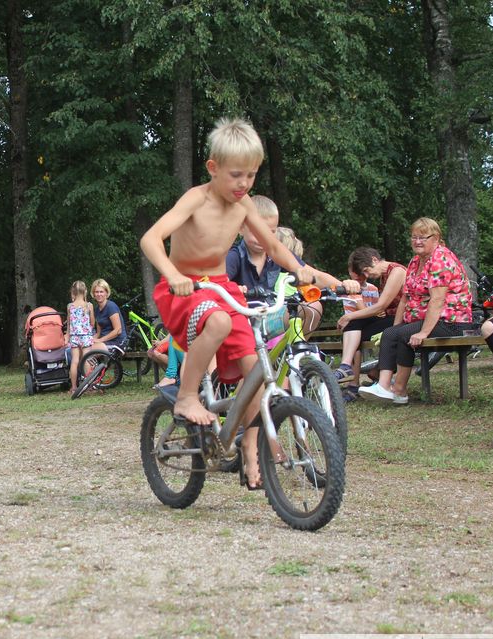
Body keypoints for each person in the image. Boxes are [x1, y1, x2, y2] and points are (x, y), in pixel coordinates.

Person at [139, 117, 315, 489]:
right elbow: (151, 239)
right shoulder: (196, 198)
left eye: (251, 175)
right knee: (218, 321)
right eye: (236, 175)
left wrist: (298, 269)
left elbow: (273, 246)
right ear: (213, 168)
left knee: (255, 373)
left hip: (222, 289)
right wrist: (171, 273)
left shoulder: (244, 204)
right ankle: (187, 396)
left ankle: (249, 447)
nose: (244, 184)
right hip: (184, 288)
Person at [358, 217, 476, 405]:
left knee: (404, 334)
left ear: (435, 238)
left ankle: (399, 389)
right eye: (414, 237)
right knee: (391, 333)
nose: (417, 241)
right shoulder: (415, 261)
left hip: (452, 322)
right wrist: (395, 327)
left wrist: (423, 332)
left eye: (423, 237)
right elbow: (405, 297)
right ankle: (384, 386)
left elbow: (437, 300)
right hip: (426, 319)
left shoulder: (440, 259)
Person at [226, 197, 355, 335]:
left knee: (312, 308)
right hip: (239, 320)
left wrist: (343, 285)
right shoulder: (234, 256)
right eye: (256, 232)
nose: (263, 237)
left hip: (267, 315)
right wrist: (232, 288)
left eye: (270, 232)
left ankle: (294, 347)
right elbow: (219, 282)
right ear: (241, 228)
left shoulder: (276, 254)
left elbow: (315, 275)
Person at [335, 247, 406, 400]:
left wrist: (349, 316)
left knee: (352, 319)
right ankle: (348, 373)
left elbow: (381, 306)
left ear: (375, 260)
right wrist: (351, 318)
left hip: (403, 319)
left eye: (367, 271)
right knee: (353, 324)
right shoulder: (383, 276)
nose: (367, 276)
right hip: (389, 318)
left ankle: (372, 374)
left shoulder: (397, 271)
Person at [65, 280, 95, 395]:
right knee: (87, 359)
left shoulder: (70, 306)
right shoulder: (89, 306)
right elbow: (92, 323)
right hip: (86, 336)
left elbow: (68, 323)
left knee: (75, 361)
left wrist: (67, 335)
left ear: (72, 292)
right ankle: (89, 385)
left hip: (74, 336)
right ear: (85, 291)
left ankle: (73, 387)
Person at [88, 279, 127, 352]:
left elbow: (118, 330)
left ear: (106, 293)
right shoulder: (97, 309)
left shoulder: (111, 306)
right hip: (104, 342)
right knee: (83, 347)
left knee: (87, 350)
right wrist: (89, 340)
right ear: (93, 294)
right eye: (96, 292)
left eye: (101, 292)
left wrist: (100, 340)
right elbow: (99, 333)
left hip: (117, 342)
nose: (99, 294)